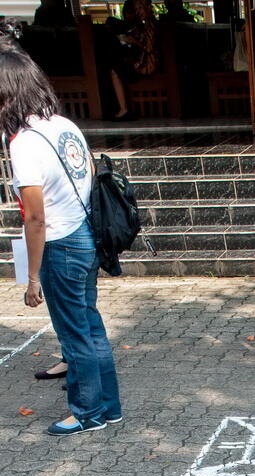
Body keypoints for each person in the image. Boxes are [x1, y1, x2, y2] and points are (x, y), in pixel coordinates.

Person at [1, 38, 122, 436]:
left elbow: (35, 218)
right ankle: (109, 407)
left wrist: (32, 276)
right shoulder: (65, 126)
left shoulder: (24, 144)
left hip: (61, 244)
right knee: (90, 326)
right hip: (85, 235)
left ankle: (87, 412)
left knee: (75, 335)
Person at [109, 0, 158, 121]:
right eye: (137, 9)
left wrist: (133, 41)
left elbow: (149, 47)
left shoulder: (150, 24)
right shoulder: (146, 23)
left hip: (148, 64)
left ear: (147, 7)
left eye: (140, 8)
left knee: (115, 71)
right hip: (145, 61)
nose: (138, 12)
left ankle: (123, 109)